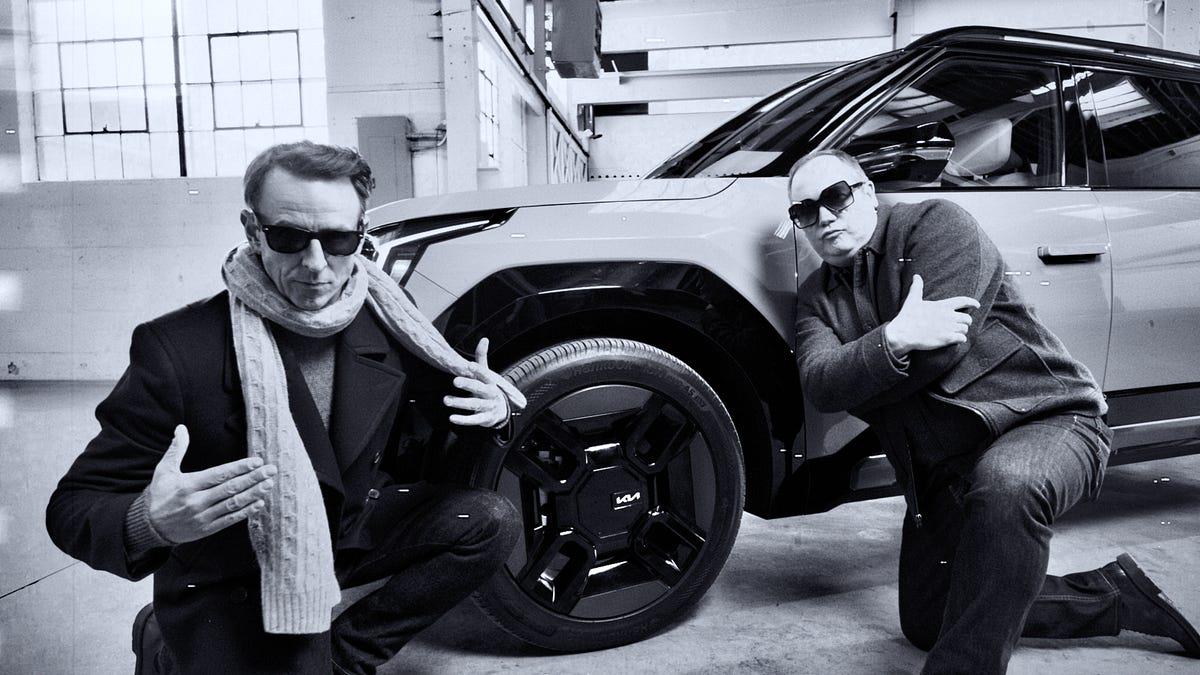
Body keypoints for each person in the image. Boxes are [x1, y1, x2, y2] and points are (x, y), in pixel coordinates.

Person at [46, 141, 526, 675]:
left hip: (347, 533)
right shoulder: (178, 348)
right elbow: (73, 506)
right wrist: (150, 523)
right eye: (290, 238)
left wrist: (492, 409)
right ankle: (161, 642)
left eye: (339, 239)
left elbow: (438, 423)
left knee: (488, 522)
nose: (316, 265)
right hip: (238, 570)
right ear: (253, 230)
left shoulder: (390, 317)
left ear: (362, 233)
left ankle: (346, 656)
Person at [789, 149, 1200, 673]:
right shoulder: (816, 296)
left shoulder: (934, 225)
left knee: (1007, 484)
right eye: (805, 210)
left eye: (835, 197)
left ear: (867, 192)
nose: (823, 217)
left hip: (1048, 420)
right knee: (929, 620)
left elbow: (942, 352)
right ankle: (1114, 597)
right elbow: (821, 385)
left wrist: (862, 371)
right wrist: (896, 338)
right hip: (944, 472)